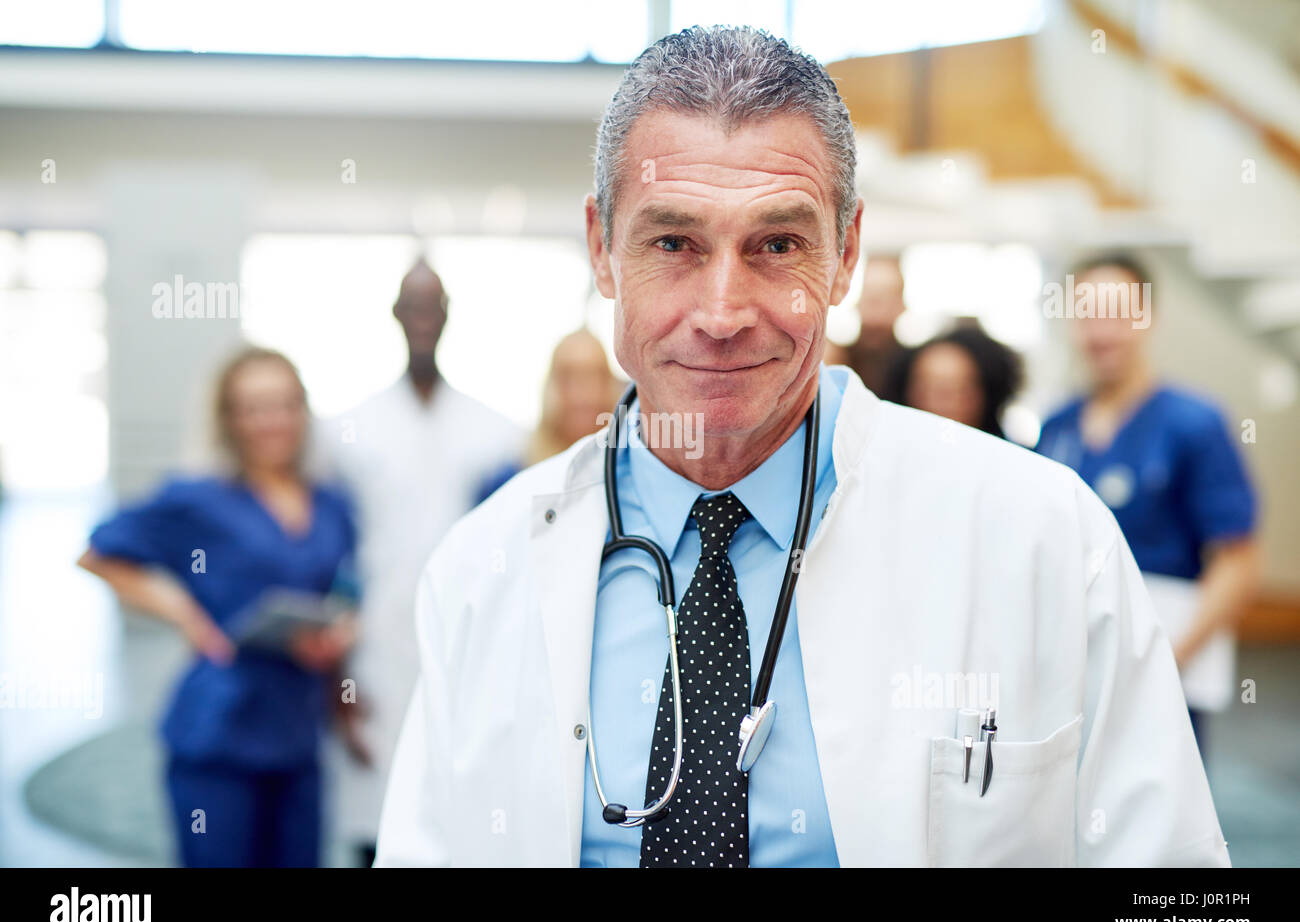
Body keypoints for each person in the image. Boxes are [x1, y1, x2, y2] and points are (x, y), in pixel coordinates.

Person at [375, 26, 1227, 867]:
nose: (721, 313)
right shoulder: (482, 570)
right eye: (673, 242)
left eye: (776, 245)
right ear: (602, 248)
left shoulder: (1041, 536)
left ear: (845, 252)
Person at [78, 347, 358, 867]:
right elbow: (99, 553)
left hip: (298, 730)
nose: (272, 421)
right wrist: (187, 615)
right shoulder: (199, 499)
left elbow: (343, 587)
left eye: (284, 404)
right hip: (221, 728)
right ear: (228, 420)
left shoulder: (331, 500)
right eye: (254, 408)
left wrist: (339, 632)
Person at [316, 258, 523, 867]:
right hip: (374, 655)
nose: (424, 318)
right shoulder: (349, 433)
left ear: (450, 315)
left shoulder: (495, 433)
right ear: (396, 315)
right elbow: (336, 564)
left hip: (468, 650)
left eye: (435, 305)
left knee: (458, 824)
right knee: (375, 822)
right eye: (413, 305)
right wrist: (340, 689)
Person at [1036, 253, 1260, 753]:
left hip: (1166, 670)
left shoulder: (1194, 424)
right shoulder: (1057, 428)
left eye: (1118, 313)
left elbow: (1238, 561)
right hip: (1072, 674)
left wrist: (1166, 662)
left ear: (1148, 319)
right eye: (1088, 314)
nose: (1102, 331)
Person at [473, 328, 624, 503]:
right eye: (569, 377)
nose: (583, 394)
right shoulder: (507, 481)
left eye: (595, 376)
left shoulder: (629, 476)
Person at [888, 323, 1024, 439]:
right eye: (929, 389)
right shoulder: (887, 457)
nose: (942, 403)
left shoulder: (1008, 461)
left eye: (957, 390)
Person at [842, 255, 906, 398]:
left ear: (901, 306)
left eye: (886, 299)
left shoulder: (915, 368)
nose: (877, 310)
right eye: (871, 299)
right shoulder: (837, 360)